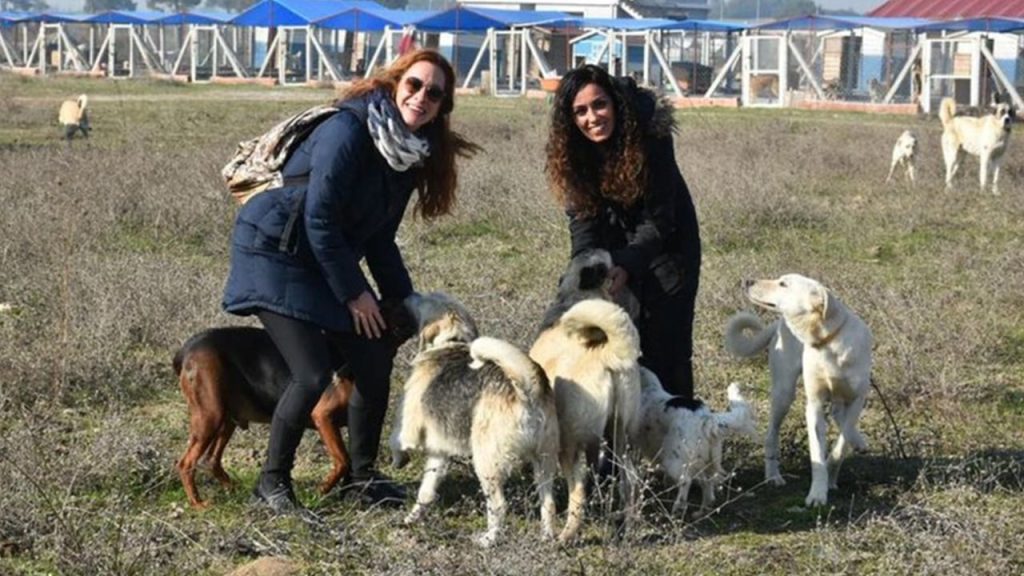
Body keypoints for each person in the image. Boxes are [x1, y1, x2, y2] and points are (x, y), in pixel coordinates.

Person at [222, 49, 480, 516]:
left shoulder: (406, 154)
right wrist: (354, 293)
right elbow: (319, 217)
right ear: (395, 83)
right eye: (415, 85)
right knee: (312, 371)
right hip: (273, 250)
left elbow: (380, 239)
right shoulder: (348, 130)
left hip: (318, 257)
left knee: (372, 354)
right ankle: (271, 484)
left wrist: (405, 302)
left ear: (443, 108)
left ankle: (362, 479)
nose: (422, 97)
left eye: (435, 93)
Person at [545, 64, 702, 400]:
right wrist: (588, 269)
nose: (593, 118)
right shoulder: (572, 151)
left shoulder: (650, 135)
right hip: (612, 246)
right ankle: (616, 439)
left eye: (599, 104)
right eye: (581, 111)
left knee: (665, 349)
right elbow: (583, 223)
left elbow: (659, 219)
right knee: (611, 345)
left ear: (615, 102)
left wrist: (629, 265)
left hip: (669, 245)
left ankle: (680, 437)